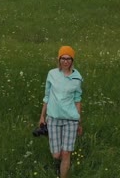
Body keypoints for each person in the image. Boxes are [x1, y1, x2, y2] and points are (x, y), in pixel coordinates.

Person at [39, 46, 83, 178]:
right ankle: (53, 139)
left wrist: (79, 122)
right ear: (59, 59)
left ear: (72, 60)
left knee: (66, 153)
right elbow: (47, 96)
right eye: (63, 58)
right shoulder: (52, 74)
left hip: (71, 120)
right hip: (53, 118)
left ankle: (63, 175)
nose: (65, 61)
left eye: (68, 58)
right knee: (56, 154)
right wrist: (42, 116)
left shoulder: (77, 78)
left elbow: (77, 100)